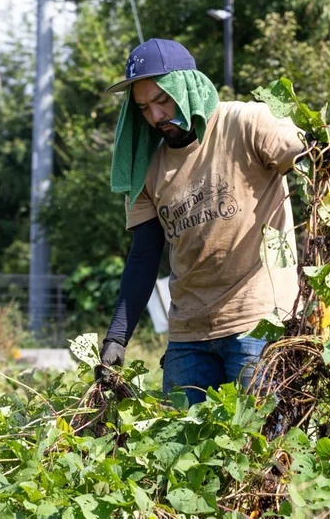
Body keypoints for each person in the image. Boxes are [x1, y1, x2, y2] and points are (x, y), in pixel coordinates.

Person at [95, 38, 307, 405]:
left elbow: (310, 154)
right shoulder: (147, 169)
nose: (156, 117)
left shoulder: (245, 123)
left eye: (162, 101)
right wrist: (117, 336)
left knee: (264, 450)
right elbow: (144, 256)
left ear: (188, 86)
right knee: (181, 451)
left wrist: (322, 152)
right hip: (188, 334)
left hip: (258, 321)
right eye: (144, 108)